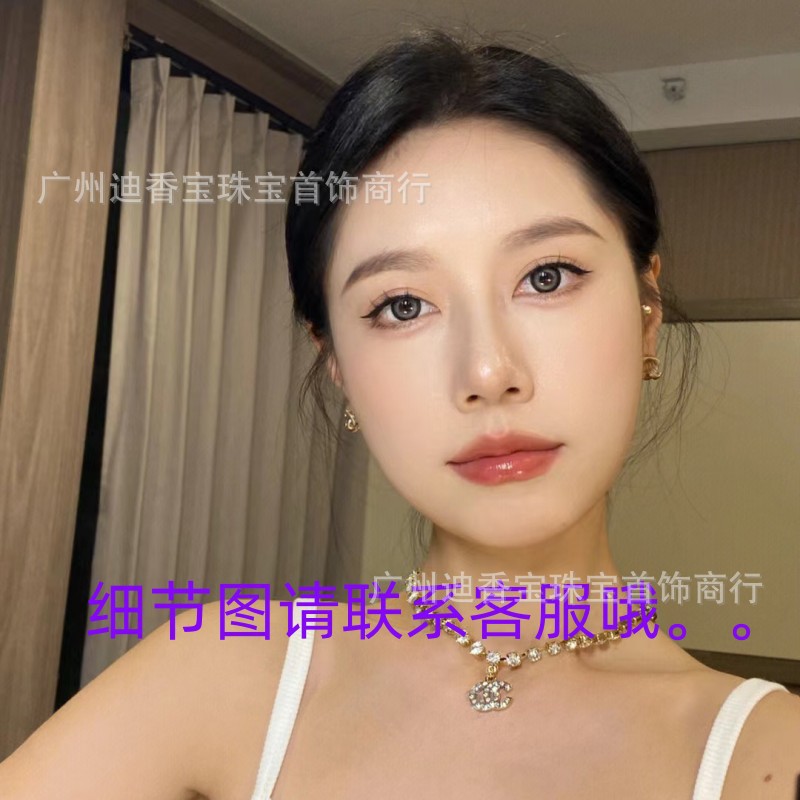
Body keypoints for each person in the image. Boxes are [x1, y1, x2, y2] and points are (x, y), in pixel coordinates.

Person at [2, 25, 799, 800]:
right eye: (403, 305)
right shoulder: (223, 673)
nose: (487, 373)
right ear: (338, 364)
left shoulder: (764, 752)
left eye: (547, 276)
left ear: (646, 309)